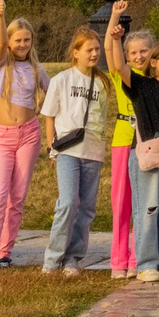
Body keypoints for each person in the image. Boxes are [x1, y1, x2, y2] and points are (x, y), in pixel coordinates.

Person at [105, 3, 159, 281]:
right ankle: (146, 264)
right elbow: (118, 65)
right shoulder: (140, 86)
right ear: (153, 62)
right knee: (149, 208)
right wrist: (116, 39)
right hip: (145, 157)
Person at [40, 24, 113, 275]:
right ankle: (52, 259)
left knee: (86, 208)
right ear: (76, 52)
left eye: (96, 49)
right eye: (88, 49)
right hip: (68, 151)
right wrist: (51, 147)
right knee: (68, 202)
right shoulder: (62, 79)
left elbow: (100, 117)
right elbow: (49, 115)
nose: (94, 54)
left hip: (93, 151)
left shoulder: (102, 83)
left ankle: (73, 258)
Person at [0, 0, 44, 274]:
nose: (22, 45)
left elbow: (53, 96)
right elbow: (0, 41)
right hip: (2, 136)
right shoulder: (1, 64)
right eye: (17, 40)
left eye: (27, 40)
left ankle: (6, 252)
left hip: (29, 134)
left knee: (17, 198)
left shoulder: (36, 69)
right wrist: (1, 16)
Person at [103, 12, 149, 279]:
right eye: (134, 52)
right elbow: (110, 48)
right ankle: (118, 259)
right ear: (128, 55)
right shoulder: (122, 74)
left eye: (144, 51)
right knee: (121, 202)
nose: (139, 56)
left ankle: (137, 257)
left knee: (142, 202)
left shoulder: (153, 77)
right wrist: (114, 18)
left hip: (147, 142)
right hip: (123, 138)